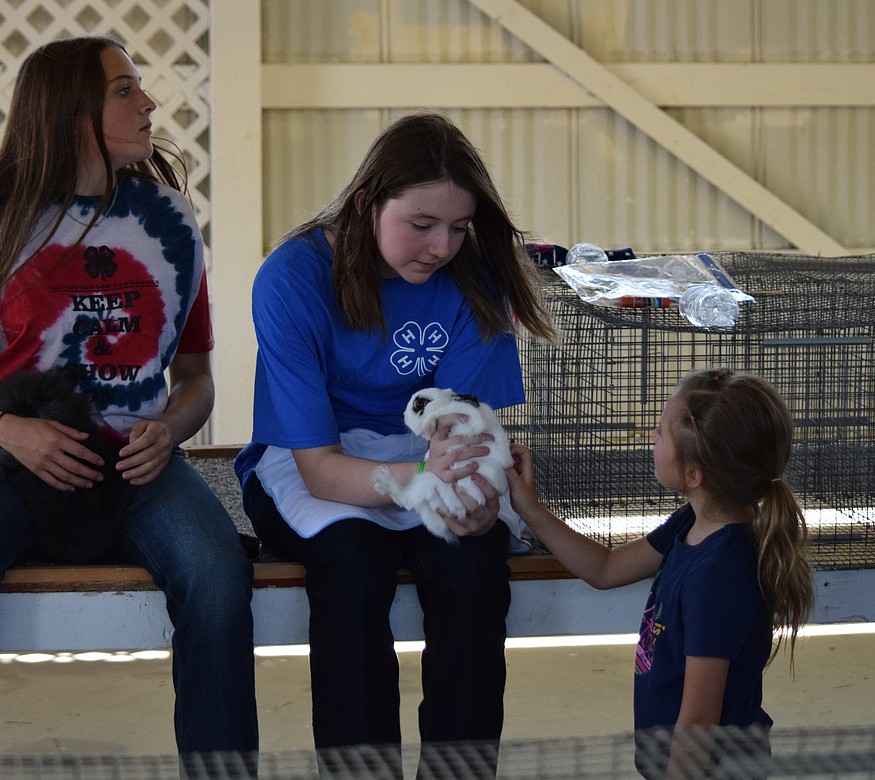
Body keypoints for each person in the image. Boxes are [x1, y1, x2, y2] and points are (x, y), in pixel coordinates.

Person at [0, 36, 258, 768]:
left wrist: (169, 428)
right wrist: (11, 433)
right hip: (3, 465)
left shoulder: (170, 222)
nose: (149, 102)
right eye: (126, 89)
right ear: (70, 113)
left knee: (218, 575)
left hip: (137, 471)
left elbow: (196, 379)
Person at [234, 111, 556, 774]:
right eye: (421, 225)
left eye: (458, 228)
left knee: (473, 562)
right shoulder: (291, 279)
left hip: (426, 458)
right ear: (365, 203)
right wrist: (423, 480)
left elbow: (462, 436)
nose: (441, 247)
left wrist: (472, 497)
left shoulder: (474, 280)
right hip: (318, 458)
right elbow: (320, 471)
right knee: (351, 566)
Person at [506, 367, 814, 779]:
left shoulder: (718, 575)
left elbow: (699, 722)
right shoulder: (690, 524)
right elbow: (605, 568)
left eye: (660, 432)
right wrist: (531, 509)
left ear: (693, 475)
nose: (652, 438)